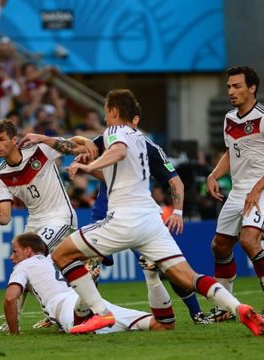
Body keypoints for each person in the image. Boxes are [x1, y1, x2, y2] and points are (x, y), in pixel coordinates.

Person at [47, 89, 264, 336]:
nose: (105, 119)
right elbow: (92, 149)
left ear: (112, 112)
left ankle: (102, 313)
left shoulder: (114, 131)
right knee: (188, 277)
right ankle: (240, 308)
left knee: (62, 255)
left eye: (106, 114)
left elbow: (117, 151)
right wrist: (49, 143)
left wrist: (87, 165)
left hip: (123, 219)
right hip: (152, 221)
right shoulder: (143, 140)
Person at [73, 107, 210, 324]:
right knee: (91, 264)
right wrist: (74, 150)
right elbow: (87, 151)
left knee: (167, 266)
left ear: (135, 120)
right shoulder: (107, 138)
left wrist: (177, 211)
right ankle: (87, 318)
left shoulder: (149, 148)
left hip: (138, 213)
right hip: (105, 210)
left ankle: (196, 312)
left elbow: (175, 181)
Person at [0, 119, 96, 328]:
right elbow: (6, 216)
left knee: (28, 259)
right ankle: (16, 317)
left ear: (14, 139)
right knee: (25, 263)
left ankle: (47, 315)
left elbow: (76, 147)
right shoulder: (1, 176)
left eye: (1, 140)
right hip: (35, 223)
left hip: (60, 217)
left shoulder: (38, 149)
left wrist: (44, 138)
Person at [206, 66, 264, 322]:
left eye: (237, 86)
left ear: (252, 88)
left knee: (249, 240)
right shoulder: (230, 118)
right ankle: (225, 307)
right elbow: (232, 152)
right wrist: (214, 175)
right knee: (219, 246)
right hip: (239, 190)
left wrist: (256, 190)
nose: (231, 91)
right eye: (229, 86)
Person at [2, 233, 174, 335]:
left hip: (63, 307)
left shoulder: (23, 265)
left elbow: (11, 298)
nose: (11, 257)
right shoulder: (56, 258)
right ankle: (152, 278)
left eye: (14, 251)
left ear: (27, 251)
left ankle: (84, 305)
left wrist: (14, 333)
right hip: (98, 304)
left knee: (81, 330)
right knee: (163, 325)